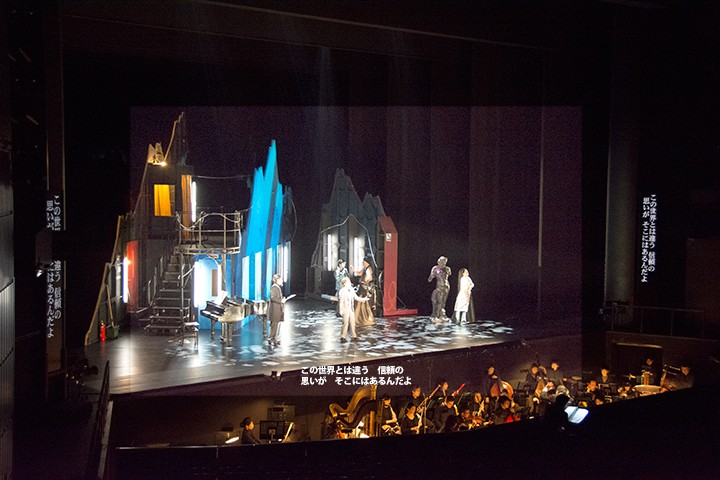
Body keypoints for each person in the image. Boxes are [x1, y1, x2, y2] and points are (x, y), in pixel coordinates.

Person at [338, 276, 368, 343]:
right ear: (344, 283)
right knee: (345, 323)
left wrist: (363, 299)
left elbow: (356, 297)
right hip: (345, 309)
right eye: (348, 281)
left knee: (352, 322)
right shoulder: (342, 291)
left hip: (351, 309)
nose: (349, 282)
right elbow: (341, 301)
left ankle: (354, 336)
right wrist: (341, 310)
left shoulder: (351, 290)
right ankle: (343, 337)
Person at [353, 257, 376, 326]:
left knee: (361, 303)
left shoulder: (369, 269)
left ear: (366, 262)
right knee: (358, 302)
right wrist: (354, 270)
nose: (362, 263)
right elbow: (359, 273)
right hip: (362, 287)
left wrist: (363, 282)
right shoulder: (364, 269)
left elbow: (369, 278)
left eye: (363, 261)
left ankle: (361, 318)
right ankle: (357, 318)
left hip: (364, 288)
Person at [428, 256, 451, 322]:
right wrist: (433, 275)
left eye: (445, 262)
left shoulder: (447, 268)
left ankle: (441, 315)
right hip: (439, 287)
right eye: (442, 262)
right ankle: (436, 315)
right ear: (439, 262)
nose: (444, 263)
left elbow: (449, 274)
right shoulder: (435, 268)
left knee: (443, 302)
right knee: (439, 302)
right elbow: (429, 279)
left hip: (446, 287)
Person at [268, 274, 286, 346]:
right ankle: (271, 338)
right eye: (280, 279)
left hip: (277, 309)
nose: (282, 281)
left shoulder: (277, 287)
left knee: (275, 325)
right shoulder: (274, 287)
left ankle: (273, 338)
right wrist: (281, 301)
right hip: (275, 310)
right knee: (274, 325)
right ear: (277, 280)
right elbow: (272, 298)